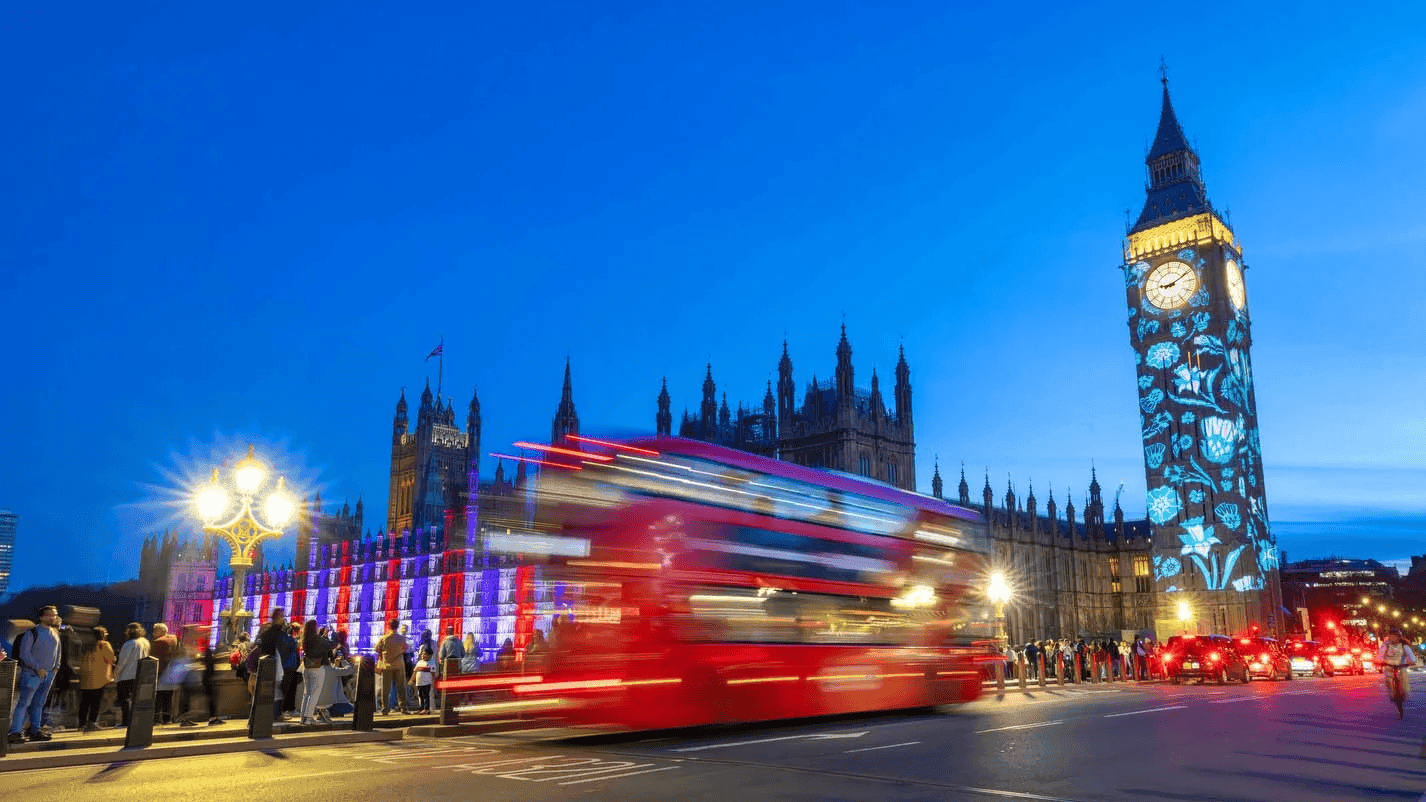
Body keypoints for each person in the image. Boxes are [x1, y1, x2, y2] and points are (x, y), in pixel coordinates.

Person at [10, 606, 61, 743]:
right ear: (41, 617)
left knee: (39, 703)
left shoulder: (55, 634)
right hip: (32, 674)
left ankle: (35, 730)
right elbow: (24, 653)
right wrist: (38, 668)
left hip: (48, 674)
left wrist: (56, 668)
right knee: (24, 703)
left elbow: (58, 653)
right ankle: (15, 731)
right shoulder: (32, 633)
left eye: (55, 615)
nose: (53, 617)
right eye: (50, 615)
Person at [76, 625, 116, 733]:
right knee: (95, 702)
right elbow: (111, 658)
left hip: (85, 677)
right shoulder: (104, 645)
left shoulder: (86, 645)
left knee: (84, 702)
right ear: (102, 635)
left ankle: (81, 724)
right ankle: (92, 723)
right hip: (99, 678)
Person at [113, 622, 150, 728]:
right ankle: (136, 721)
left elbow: (122, 662)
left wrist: (116, 673)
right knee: (136, 700)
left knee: (124, 700)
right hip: (140, 674)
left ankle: (126, 721)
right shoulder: (145, 642)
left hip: (126, 675)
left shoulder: (129, 644)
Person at [299, 620, 334, 726]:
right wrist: (326, 635)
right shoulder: (317, 639)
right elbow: (328, 645)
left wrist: (322, 636)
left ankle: (303, 717)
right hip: (317, 668)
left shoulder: (305, 639)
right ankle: (309, 718)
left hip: (306, 667)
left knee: (307, 693)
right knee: (314, 694)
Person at [1378, 627, 1417, 719]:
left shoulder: (1404, 646)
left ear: (1399, 637)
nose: (1393, 638)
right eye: (1391, 636)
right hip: (1389, 667)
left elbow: (1412, 658)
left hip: (1401, 667)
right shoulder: (1385, 645)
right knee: (1388, 680)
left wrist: (1411, 662)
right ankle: (1392, 695)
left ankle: (1404, 693)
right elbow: (1380, 654)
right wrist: (1379, 660)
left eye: (1396, 636)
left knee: (1405, 683)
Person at [375, 619, 409, 715]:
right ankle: (403, 707)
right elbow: (405, 649)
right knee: (401, 687)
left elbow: (377, 648)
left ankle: (385, 708)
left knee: (385, 688)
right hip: (398, 665)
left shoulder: (384, 638)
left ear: (389, 626)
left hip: (386, 665)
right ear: (397, 626)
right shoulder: (402, 639)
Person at [149, 623, 179, 725]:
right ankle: (168, 719)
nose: (153, 633)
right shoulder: (174, 640)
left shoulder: (158, 642)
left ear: (160, 631)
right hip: (172, 672)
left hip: (161, 671)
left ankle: (157, 719)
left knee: (158, 696)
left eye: (155, 630)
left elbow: (151, 657)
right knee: (168, 696)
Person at [410, 646, 434, 713]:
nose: (423, 656)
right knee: (420, 696)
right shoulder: (419, 662)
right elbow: (415, 671)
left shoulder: (431, 663)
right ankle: (421, 708)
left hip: (426, 682)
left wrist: (434, 681)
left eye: (425, 654)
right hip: (419, 682)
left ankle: (426, 709)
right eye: (422, 654)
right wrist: (412, 680)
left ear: (430, 655)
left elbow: (433, 673)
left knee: (426, 695)